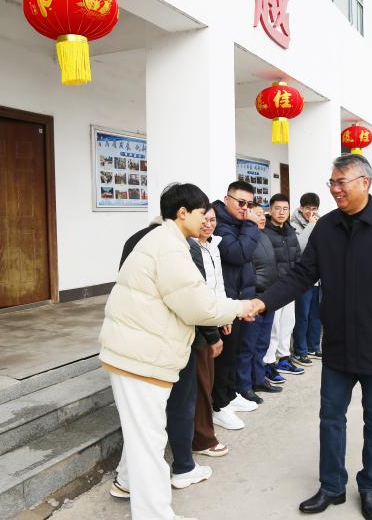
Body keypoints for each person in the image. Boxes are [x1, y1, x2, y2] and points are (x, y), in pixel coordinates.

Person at [250, 155, 372, 520]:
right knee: (330, 417)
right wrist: (263, 303)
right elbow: (301, 275)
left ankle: (369, 485)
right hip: (338, 343)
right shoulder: (326, 228)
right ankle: (332, 485)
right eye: (332, 182)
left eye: (341, 182)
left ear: (364, 182)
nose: (334, 189)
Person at [99, 182, 255, 520]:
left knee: (143, 431)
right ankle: (154, 514)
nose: (206, 220)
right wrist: (241, 307)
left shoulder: (165, 240)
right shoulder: (170, 247)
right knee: (150, 439)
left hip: (137, 351)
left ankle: (126, 482)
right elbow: (198, 305)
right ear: (182, 213)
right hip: (139, 356)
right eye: (201, 213)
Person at [191, 206, 246, 459]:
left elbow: (219, 283)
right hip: (201, 318)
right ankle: (207, 426)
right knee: (204, 375)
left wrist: (225, 314)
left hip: (215, 311)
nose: (208, 225)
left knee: (220, 364)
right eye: (204, 220)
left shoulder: (214, 245)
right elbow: (199, 291)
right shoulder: (189, 248)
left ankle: (219, 406)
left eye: (212, 220)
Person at [211, 181, 262, 430]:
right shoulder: (220, 225)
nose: (245, 208)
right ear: (227, 199)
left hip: (240, 298)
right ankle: (219, 405)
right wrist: (251, 225)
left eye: (249, 204)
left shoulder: (238, 224)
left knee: (235, 352)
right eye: (241, 202)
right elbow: (238, 254)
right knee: (225, 356)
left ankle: (230, 395)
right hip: (226, 300)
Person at [236, 202, 284, 403]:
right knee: (248, 345)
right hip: (254, 298)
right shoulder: (245, 238)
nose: (262, 217)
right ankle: (244, 386)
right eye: (257, 214)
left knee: (262, 343)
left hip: (268, 297)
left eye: (263, 214)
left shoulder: (263, 235)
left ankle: (258, 379)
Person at [262, 194, 306, 378]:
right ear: (270, 209)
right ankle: (268, 363)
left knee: (288, 324)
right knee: (273, 327)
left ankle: (284, 359)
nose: (281, 212)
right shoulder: (264, 231)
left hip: (289, 286)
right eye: (278, 208)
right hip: (273, 288)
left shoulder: (290, 231)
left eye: (285, 209)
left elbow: (297, 257)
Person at [290, 192, 322, 363]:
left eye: (314, 208)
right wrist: (311, 225)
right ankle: (299, 350)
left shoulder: (320, 221)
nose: (311, 212)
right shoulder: (293, 224)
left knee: (316, 315)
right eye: (307, 208)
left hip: (318, 277)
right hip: (302, 277)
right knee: (302, 315)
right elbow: (300, 246)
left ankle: (313, 346)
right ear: (301, 208)